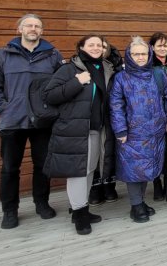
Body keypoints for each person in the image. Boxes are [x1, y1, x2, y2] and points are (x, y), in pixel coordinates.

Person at [0, 14, 63, 229]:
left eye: (37, 26)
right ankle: (10, 211)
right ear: (19, 29)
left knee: (42, 166)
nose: (33, 28)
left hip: (42, 122)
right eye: (29, 25)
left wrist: (53, 111)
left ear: (42, 31)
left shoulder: (53, 55)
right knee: (10, 168)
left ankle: (42, 203)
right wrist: (3, 109)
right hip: (12, 122)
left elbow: (60, 86)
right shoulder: (1, 55)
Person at [42, 34, 115, 235]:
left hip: (97, 128)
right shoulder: (68, 69)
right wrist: (76, 82)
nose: (95, 48)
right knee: (78, 172)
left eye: (99, 45)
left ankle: (80, 209)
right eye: (90, 44)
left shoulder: (106, 68)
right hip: (76, 129)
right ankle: (80, 215)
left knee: (90, 169)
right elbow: (49, 96)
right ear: (81, 47)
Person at [110, 37, 167, 223]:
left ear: (149, 54)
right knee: (134, 169)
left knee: (147, 168)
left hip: (155, 131)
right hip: (132, 133)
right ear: (129, 55)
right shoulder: (121, 78)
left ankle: (141, 202)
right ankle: (136, 206)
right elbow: (116, 106)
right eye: (135, 54)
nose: (140, 57)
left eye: (143, 53)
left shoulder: (158, 74)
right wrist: (120, 130)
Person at [87, 38, 121, 205]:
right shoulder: (84, 66)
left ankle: (109, 185)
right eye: (95, 46)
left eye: (103, 46)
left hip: (112, 115)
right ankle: (94, 188)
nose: (99, 49)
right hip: (92, 116)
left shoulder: (116, 67)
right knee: (94, 153)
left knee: (109, 151)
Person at [149, 32, 167, 200]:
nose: (163, 48)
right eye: (159, 45)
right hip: (154, 115)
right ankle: (156, 185)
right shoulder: (147, 65)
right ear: (152, 47)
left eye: (165, 45)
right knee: (155, 152)